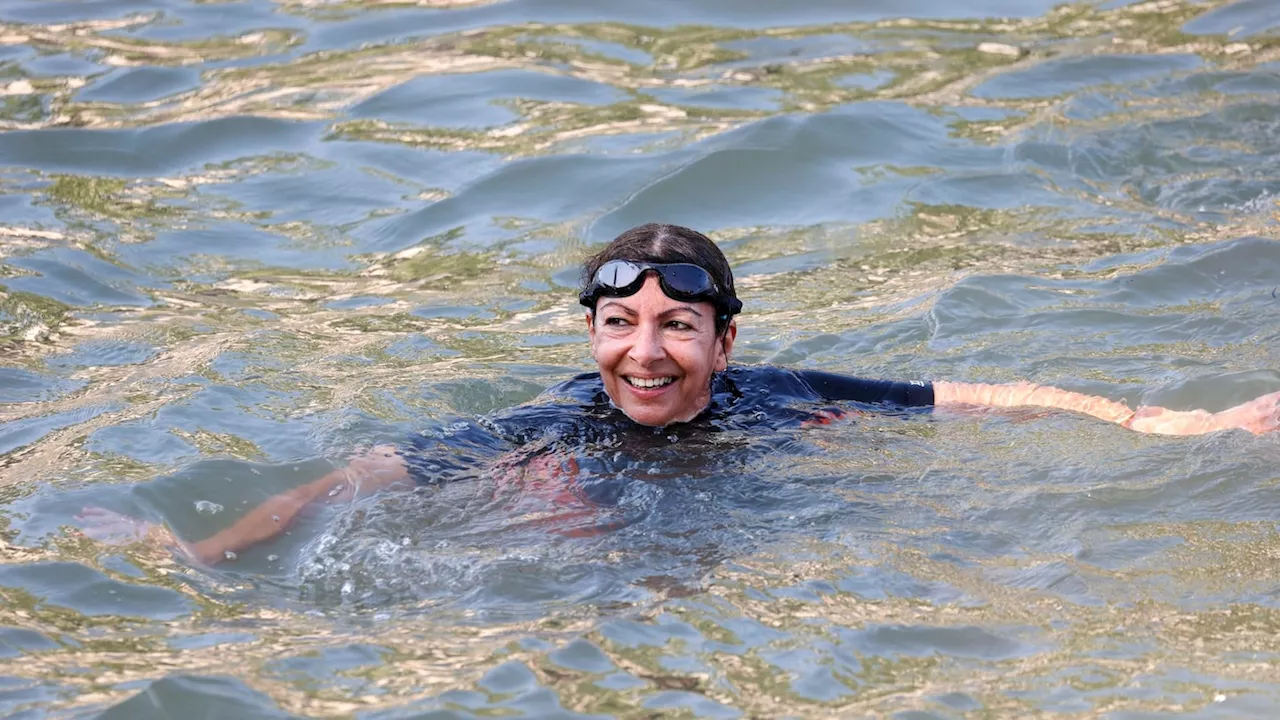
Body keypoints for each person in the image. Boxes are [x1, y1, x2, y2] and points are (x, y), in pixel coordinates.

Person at [78, 223, 1280, 564]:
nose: (643, 351)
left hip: (756, 526)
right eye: (618, 324)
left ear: (724, 339)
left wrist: (1159, 423)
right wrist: (202, 550)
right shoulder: (550, 421)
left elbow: (978, 397)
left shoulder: (782, 394)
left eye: (675, 326)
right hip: (584, 532)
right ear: (592, 336)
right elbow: (347, 480)